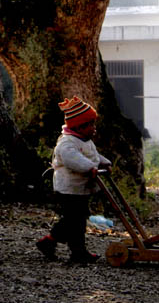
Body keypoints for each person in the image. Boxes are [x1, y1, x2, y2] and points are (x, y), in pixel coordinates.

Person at [36, 96, 111, 264]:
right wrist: (90, 168)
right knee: (72, 220)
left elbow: (93, 156)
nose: (94, 128)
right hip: (68, 189)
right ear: (79, 126)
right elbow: (74, 160)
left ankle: (71, 249)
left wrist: (105, 163)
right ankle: (56, 243)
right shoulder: (67, 143)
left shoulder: (85, 141)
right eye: (91, 124)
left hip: (80, 189)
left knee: (78, 220)